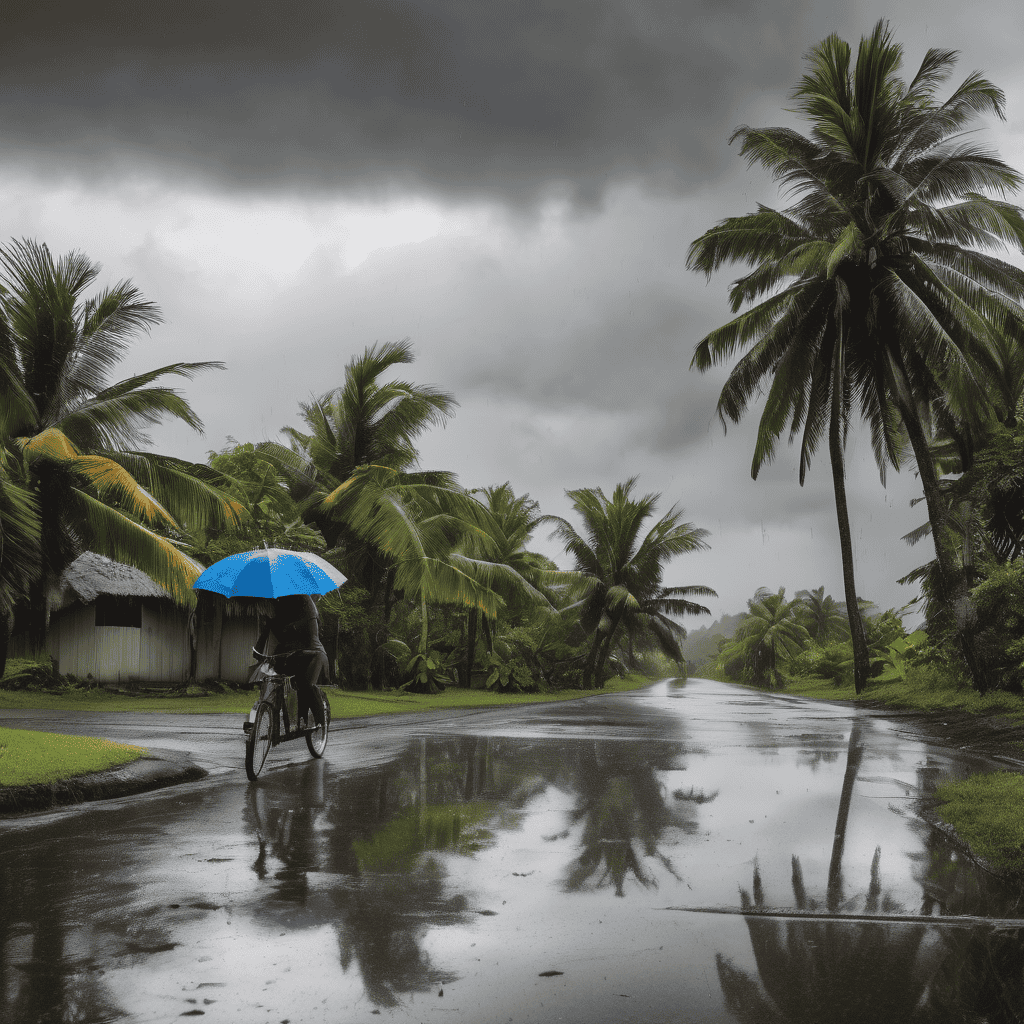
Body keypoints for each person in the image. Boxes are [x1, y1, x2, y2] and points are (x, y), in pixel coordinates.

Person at [255, 593, 329, 729]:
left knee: (307, 685)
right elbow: (270, 631)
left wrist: (294, 626)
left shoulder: (305, 602)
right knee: (271, 680)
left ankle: (320, 722)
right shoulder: (279, 605)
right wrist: (257, 651)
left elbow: (312, 632)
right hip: (290, 654)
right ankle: (272, 721)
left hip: (312, 652)